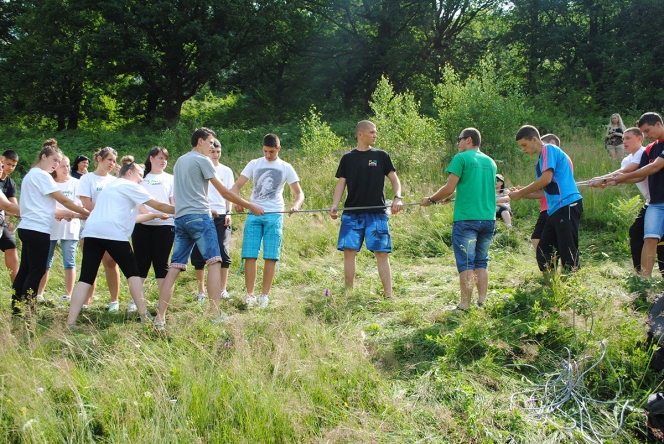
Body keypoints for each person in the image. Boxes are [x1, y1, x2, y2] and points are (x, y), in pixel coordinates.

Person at [155, 127, 265, 329]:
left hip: (181, 218)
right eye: (210, 142)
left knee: (175, 266)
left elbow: (190, 191)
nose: (212, 146)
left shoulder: (180, 161)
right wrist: (251, 206)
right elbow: (223, 191)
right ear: (199, 141)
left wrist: (209, 210)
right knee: (215, 262)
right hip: (199, 218)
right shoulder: (203, 160)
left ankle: (160, 317)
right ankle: (215, 314)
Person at [66, 159, 175, 327]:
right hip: (114, 234)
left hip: (91, 232)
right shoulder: (131, 186)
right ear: (129, 172)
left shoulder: (110, 186)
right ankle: (144, 315)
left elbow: (131, 218)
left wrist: (153, 216)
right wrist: (185, 209)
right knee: (133, 273)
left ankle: (70, 322)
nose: (141, 179)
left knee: (86, 277)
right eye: (140, 174)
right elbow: (159, 204)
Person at [420, 128, 497, 310]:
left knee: (467, 263)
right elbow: (472, 187)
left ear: (468, 140)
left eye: (459, 139)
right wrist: (452, 196)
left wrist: (431, 200)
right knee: (481, 261)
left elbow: (448, 187)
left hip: (467, 220)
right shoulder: (491, 162)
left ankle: (465, 305)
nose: (457, 143)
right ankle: (482, 302)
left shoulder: (461, 158)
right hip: (488, 219)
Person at [12, 145, 89, 316]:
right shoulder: (41, 176)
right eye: (54, 160)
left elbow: (50, 208)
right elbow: (63, 200)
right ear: (44, 156)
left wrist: (75, 214)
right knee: (36, 271)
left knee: (25, 269)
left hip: (27, 228)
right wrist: (88, 212)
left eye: (59, 161)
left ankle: (16, 308)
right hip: (37, 229)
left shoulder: (31, 175)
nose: (56, 164)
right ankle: (29, 310)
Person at [330, 120, 403, 298]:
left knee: (381, 252)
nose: (375, 135)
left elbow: (394, 179)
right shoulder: (348, 158)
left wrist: (398, 198)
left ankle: (388, 295)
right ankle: (349, 293)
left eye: (375, 132)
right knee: (349, 252)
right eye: (371, 132)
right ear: (360, 134)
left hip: (377, 213)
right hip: (352, 213)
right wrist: (334, 205)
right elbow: (341, 184)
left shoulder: (381, 155)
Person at [231, 134, 304, 308]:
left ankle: (264, 295)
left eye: (271, 151)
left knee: (271, 255)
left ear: (278, 149)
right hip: (254, 213)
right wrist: (236, 200)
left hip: (275, 214)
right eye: (265, 151)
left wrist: (295, 205)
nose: (268, 155)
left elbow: (299, 193)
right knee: (250, 254)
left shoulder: (286, 167)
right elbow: (236, 186)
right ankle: (250, 294)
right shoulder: (254, 164)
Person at [590, 128, 664, 275]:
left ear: (639, 139)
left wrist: (604, 179)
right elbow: (628, 175)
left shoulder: (643, 152)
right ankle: (641, 275)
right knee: (642, 234)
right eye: (623, 139)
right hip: (653, 201)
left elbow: (626, 172)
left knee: (643, 233)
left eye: (628, 138)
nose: (624, 142)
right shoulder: (629, 158)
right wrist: (612, 181)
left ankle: (647, 273)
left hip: (656, 201)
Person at [510, 125, 583, 274]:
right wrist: (520, 194)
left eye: (524, 144)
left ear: (534, 139)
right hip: (554, 209)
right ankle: (552, 286)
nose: (523, 149)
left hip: (567, 204)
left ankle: (571, 287)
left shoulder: (548, 149)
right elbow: (542, 192)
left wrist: (522, 192)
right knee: (543, 251)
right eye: (521, 146)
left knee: (567, 251)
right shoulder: (540, 162)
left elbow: (546, 179)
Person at [611, 113, 664, 277]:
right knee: (649, 239)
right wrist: (615, 180)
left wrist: (622, 177)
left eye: (647, 131)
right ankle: (644, 282)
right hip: (655, 203)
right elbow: (640, 174)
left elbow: (655, 167)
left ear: (658, 124)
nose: (646, 136)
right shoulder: (650, 148)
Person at [129, 147, 175, 313]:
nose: (163, 161)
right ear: (151, 159)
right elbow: (137, 200)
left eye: (165, 158)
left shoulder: (171, 178)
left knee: (161, 264)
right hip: (142, 224)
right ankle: (135, 302)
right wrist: (149, 215)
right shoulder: (142, 178)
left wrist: (173, 212)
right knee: (141, 264)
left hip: (165, 225)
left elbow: (172, 200)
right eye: (159, 158)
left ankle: (162, 303)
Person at [77, 147, 121, 311]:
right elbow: (86, 204)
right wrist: (106, 210)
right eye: (109, 159)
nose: (112, 163)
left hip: (111, 227)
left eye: (114, 161)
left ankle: (114, 301)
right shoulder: (87, 179)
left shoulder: (114, 181)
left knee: (111, 262)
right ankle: (86, 301)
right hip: (91, 227)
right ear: (99, 159)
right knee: (91, 264)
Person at [36, 156, 83, 304]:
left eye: (68, 166)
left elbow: (79, 203)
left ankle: (68, 294)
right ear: (55, 167)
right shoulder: (50, 183)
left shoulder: (76, 183)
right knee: (45, 260)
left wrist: (71, 215)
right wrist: (58, 214)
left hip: (70, 225)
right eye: (63, 166)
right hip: (51, 225)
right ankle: (39, 293)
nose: (66, 169)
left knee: (69, 261)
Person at [192, 139, 235, 302]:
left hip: (222, 215)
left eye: (218, 151)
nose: (216, 155)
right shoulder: (200, 169)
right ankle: (201, 291)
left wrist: (229, 212)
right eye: (212, 151)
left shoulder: (226, 171)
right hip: (203, 214)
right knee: (199, 252)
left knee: (223, 250)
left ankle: (222, 289)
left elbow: (229, 193)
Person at [0, 149, 20, 282]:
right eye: (7, 164)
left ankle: (16, 286)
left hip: (2, 222)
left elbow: (13, 206)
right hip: (3, 219)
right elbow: (7, 206)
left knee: (11, 246)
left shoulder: (10, 183)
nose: (10, 168)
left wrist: (20, 212)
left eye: (13, 165)